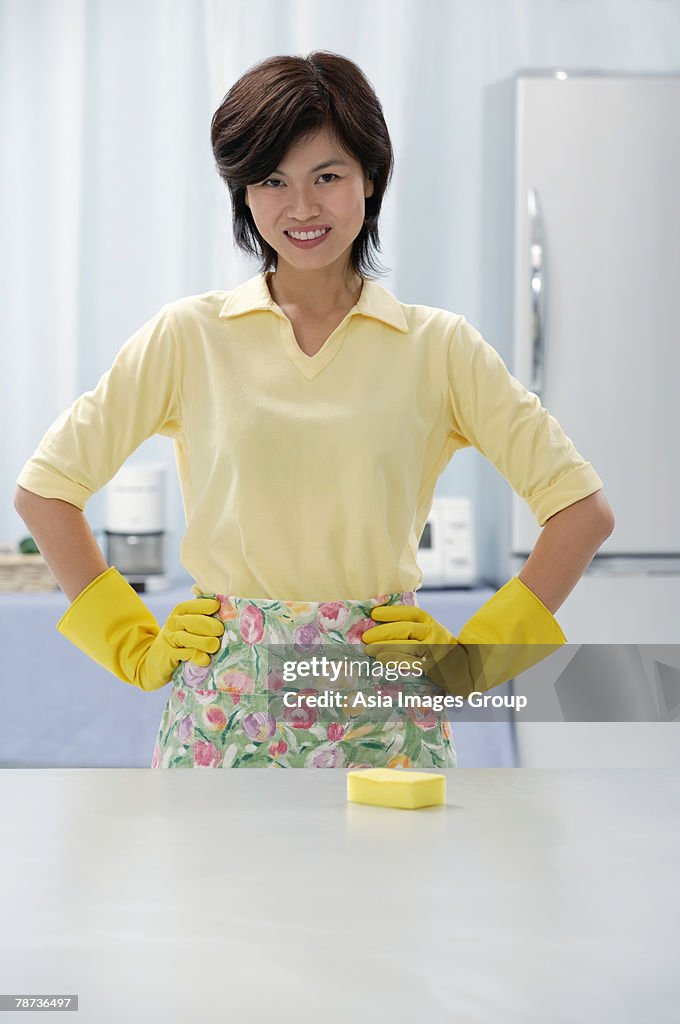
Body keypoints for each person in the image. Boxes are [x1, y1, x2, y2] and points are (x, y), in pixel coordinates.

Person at [14, 51, 614, 770]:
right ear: (243, 193)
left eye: (327, 176)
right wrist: (131, 643)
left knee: (387, 886)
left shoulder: (439, 347)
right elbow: (47, 490)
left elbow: (581, 512)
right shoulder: (189, 337)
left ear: (371, 178)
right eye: (272, 181)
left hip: (383, 708)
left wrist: (473, 662)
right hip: (224, 709)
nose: (301, 209)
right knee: (218, 887)